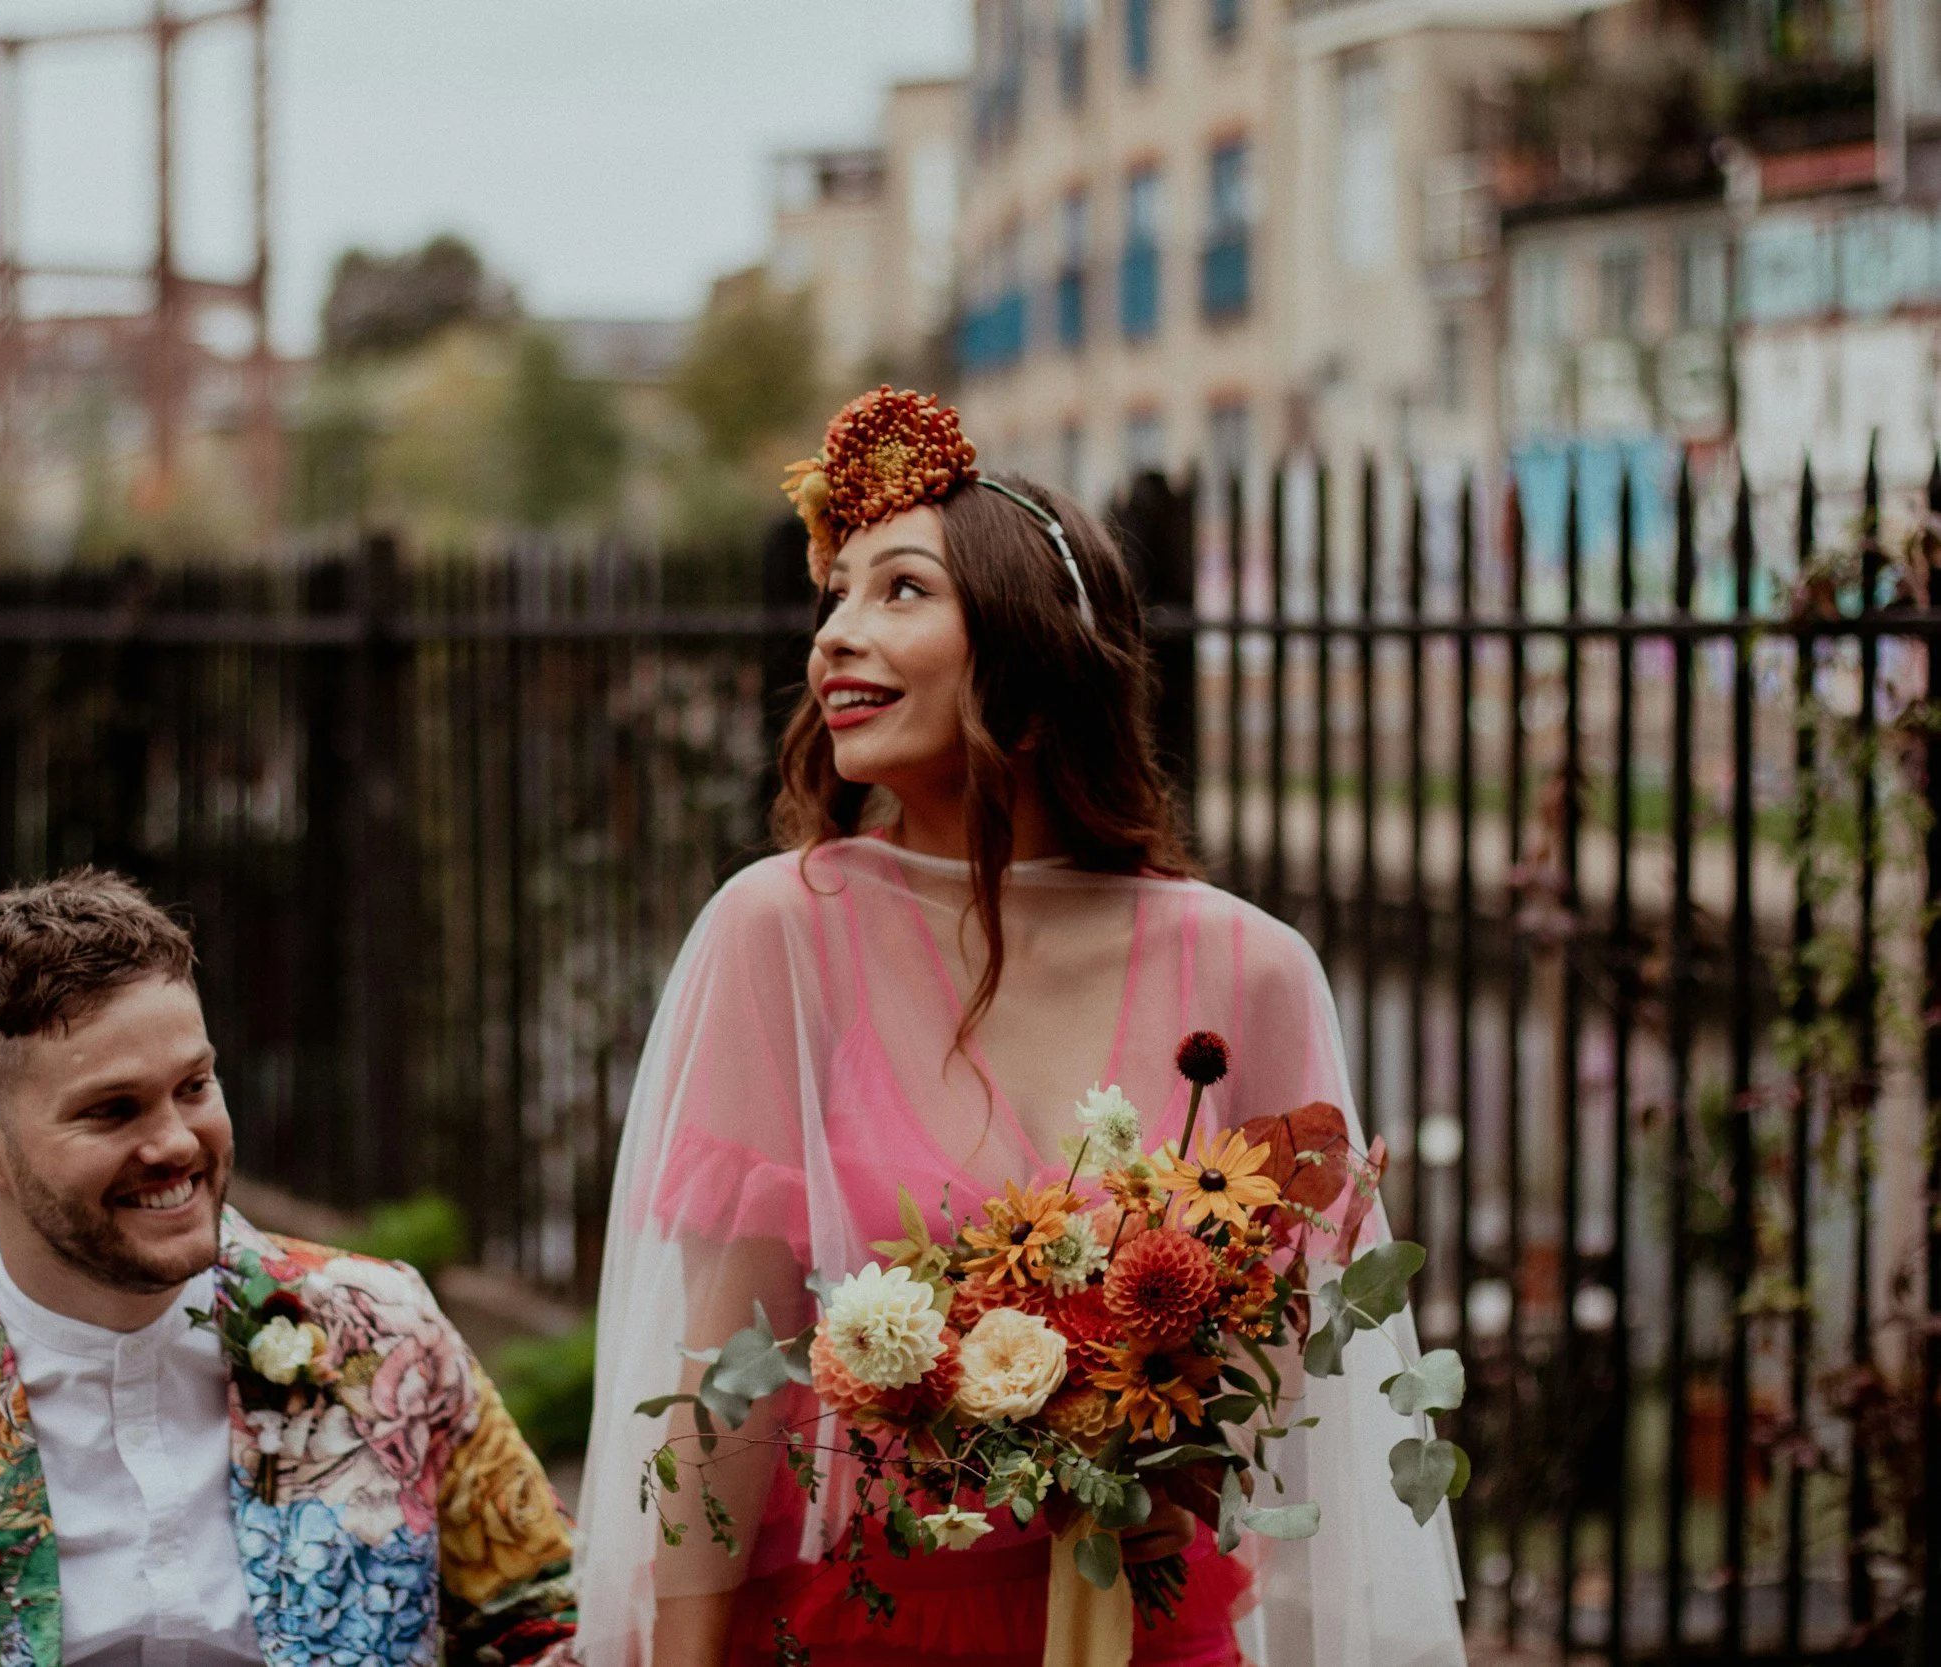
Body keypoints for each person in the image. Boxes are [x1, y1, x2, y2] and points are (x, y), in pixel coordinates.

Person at [571, 389, 1466, 1667]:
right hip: (861, 1631)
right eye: (834, 598)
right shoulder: (780, 931)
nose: (834, 634)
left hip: (1152, 1629)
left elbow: (1301, 1385)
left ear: (1031, 654)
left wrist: (1154, 1458)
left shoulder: (1254, 968)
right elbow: (727, 1396)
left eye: (897, 592)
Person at [0, 869, 578, 1667]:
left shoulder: (380, 1332)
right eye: (112, 1111)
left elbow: (548, 1623)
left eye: (194, 1085)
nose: (176, 1143)